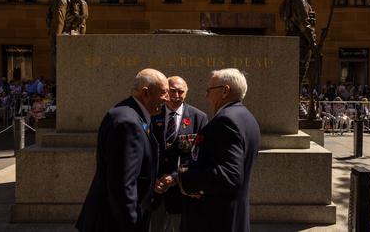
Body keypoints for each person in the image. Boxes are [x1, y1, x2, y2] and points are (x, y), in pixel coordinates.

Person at [75, 68, 169, 232]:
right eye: (163, 93)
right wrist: (132, 223)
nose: (167, 99)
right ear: (145, 93)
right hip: (115, 222)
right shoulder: (128, 123)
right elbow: (122, 184)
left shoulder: (132, 114)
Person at [178, 68, 261, 232]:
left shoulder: (226, 120)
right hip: (232, 215)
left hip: (216, 218)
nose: (206, 95)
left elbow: (230, 175)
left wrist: (185, 177)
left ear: (225, 91)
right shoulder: (246, 117)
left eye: (209, 90)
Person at [150, 76, 207, 232]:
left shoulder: (199, 118)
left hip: (183, 191)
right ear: (165, 92)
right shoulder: (152, 114)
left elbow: (199, 156)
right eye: (172, 91)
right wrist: (152, 179)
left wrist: (175, 177)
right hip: (154, 191)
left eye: (180, 91)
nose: (176, 95)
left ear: (186, 93)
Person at [46, 0, 88, 79]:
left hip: (64, 37)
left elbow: (58, 21)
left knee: (62, 74)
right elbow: (83, 22)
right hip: (76, 36)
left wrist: (55, 39)